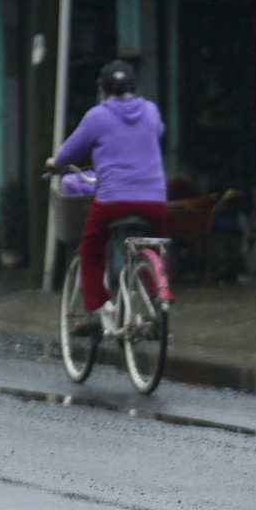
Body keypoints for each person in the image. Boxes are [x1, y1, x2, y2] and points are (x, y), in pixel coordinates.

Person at [46, 60, 166, 335]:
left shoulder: (97, 117)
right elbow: (157, 132)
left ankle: (95, 312)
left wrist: (53, 163)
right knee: (153, 245)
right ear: (133, 87)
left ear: (102, 89)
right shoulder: (151, 111)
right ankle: (155, 301)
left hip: (114, 200)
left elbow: (67, 155)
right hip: (155, 201)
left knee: (90, 249)